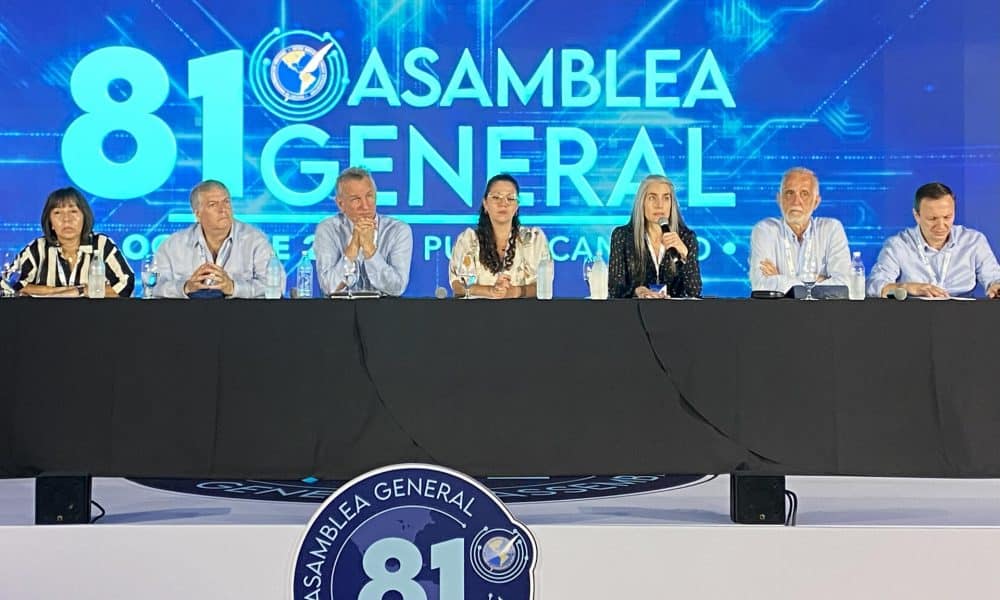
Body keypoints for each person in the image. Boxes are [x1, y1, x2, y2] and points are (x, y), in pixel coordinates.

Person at [867, 182, 1000, 298]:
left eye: (947, 217)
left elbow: (994, 277)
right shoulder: (898, 245)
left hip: (963, 317)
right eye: (932, 219)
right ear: (917, 216)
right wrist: (907, 287)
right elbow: (874, 286)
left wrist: (996, 286)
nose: (941, 226)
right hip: (913, 317)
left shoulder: (974, 241)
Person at [153, 180, 282, 298]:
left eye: (226, 202)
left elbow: (278, 286)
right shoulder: (172, 245)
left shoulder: (255, 240)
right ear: (198, 214)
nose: (223, 209)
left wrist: (234, 287)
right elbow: (153, 287)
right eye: (213, 204)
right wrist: (186, 287)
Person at [10, 186, 134, 297]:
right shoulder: (39, 248)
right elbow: (8, 282)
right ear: (50, 222)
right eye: (58, 213)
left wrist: (81, 291)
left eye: (73, 211)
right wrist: (57, 292)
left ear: (84, 217)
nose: (66, 219)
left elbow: (126, 284)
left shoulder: (101, 245)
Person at [749, 167, 850, 293]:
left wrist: (781, 279)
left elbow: (843, 286)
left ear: (816, 202)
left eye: (804, 194)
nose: (796, 202)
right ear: (779, 199)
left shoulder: (832, 229)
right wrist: (817, 282)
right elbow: (761, 286)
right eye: (789, 193)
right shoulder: (765, 230)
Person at [314, 167, 412, 296]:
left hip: (386, 312)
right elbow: (328, 287)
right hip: (338, 312)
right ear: (341, 204)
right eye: (356, 199)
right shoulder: (327, 229)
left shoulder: (398, 231)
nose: (365, 206)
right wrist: (354, 246)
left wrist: (369, 249)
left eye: (369, 196)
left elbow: (397, 288)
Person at [448, 173, 549, 299]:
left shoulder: (534, 239)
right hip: (475, 315)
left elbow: (544, 287)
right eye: (496, 197)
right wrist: (491, 291)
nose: (503, 203)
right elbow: (457, 285)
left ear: (517, 206)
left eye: (510, 198)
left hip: (525, 315)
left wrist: (515, 292)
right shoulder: (467, 240)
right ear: (485, 203)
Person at [608, 174, 701, 299]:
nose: (660, 205)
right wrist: (637, 291)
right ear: (642, 203)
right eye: (652, 198)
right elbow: (614, 290)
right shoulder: (622, 236)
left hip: (677, 315)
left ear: (671, 204)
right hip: (634, 313)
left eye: (666, 198)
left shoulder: (687, 238)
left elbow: (694, 292)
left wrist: (686, 256)